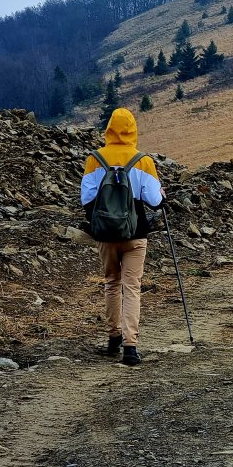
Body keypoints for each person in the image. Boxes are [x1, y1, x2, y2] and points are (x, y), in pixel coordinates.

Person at [81, 107, 164, 366]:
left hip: (105, 233)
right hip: (135, 232)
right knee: (132, 287)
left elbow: (87, 199)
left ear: (109, 129)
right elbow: (154, 200)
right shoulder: (143, 160)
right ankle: (131, 346)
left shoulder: (95, 159)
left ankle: (113, 337)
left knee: (111, 283)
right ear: (132, 130)